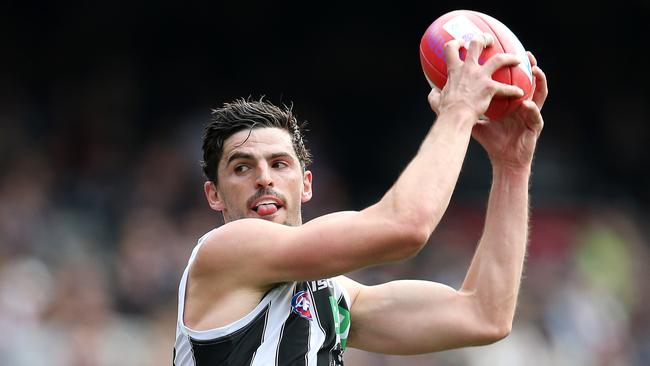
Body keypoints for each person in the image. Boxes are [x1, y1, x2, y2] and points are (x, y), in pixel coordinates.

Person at [173, 33, 548, 366]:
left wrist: (511, 168)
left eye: (279, 163)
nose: (265, 178)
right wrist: (460, 109)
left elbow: (484, 316)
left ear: (306, 185)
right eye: (242, 168)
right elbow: (405, 227)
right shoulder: (224, 251)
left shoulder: (337, 297)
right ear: (214, 195)